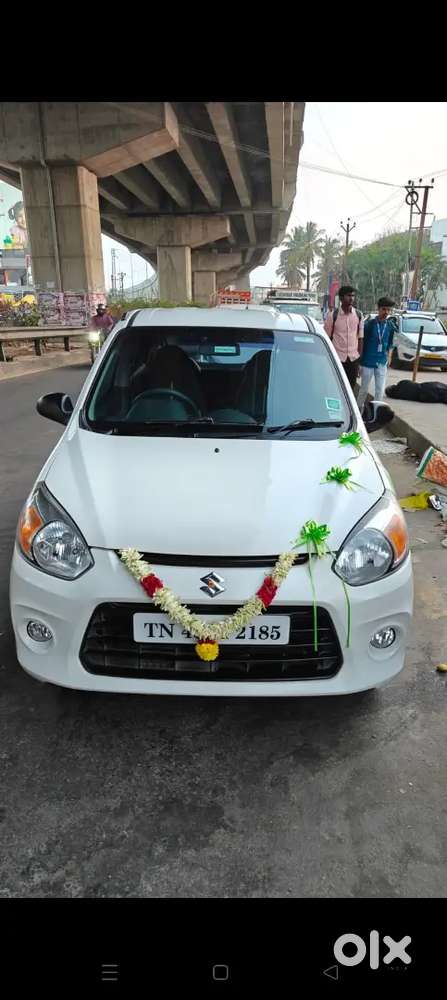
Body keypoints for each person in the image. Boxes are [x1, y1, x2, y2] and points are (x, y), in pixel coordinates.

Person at [357, 296, 395, 412]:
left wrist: (389, 356)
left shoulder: (390, 326)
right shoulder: (369, 325)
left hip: (381, 362)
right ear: (378, 309)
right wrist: (359, 362)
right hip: (367, 362)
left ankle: (376, 413)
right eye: (384, 309)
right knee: (364, 389)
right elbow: (361, 342)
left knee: (380, 390)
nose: (386, 312)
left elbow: (390, 344)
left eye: (389, 310)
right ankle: (358, 411)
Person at [323, 285, 364, 391]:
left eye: (353, 296)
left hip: (353, 359)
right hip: (337, 358)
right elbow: (327, 339)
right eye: (348, 296)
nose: (351, 298)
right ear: (341, 298)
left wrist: (359, 359)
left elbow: (360, 338)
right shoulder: (333, 316)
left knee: (350, 388)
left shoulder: (359, 315)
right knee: (336, 387)